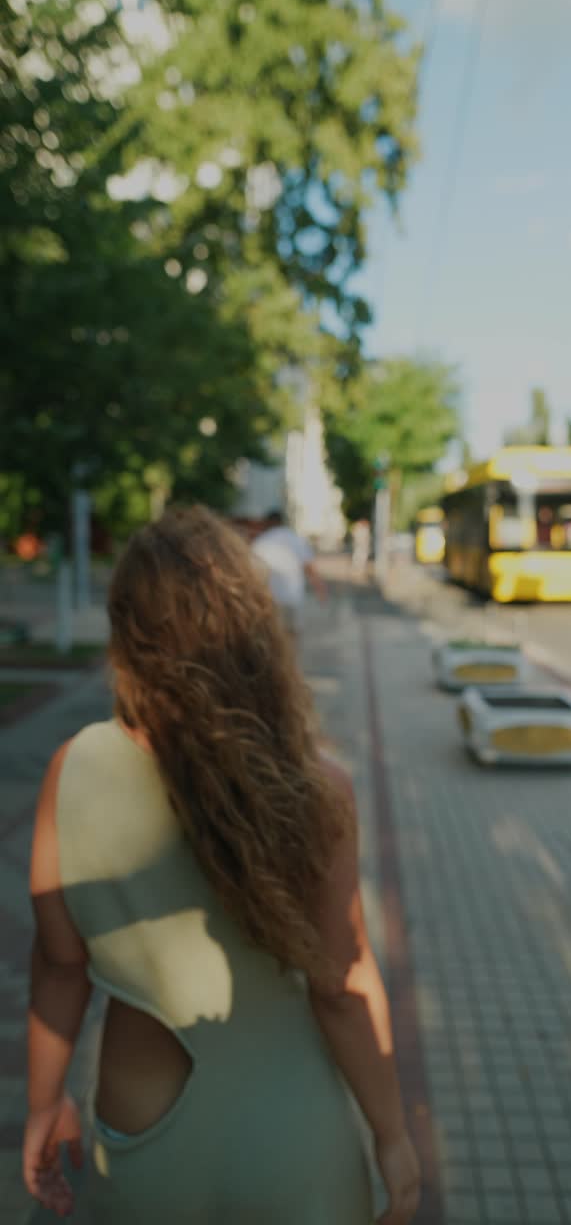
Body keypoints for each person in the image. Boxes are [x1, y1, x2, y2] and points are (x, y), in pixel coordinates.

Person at [23, 505, 420, 1224]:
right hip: (293, 1142)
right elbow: (341, 985)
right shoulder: (317, 789)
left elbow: (59, 965)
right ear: (257, 633)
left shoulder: (71, 769)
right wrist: (393, 1134)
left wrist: (44, 1104)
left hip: (139, 1139)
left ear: (124, 636)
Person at [253, 508, 327, 635]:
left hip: (271, 600)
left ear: (267, 522)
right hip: (294, 597)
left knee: (275, 638)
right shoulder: (296, 538)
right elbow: (310, 568)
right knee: (293, 636)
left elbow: (253, 574)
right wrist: (320, 590)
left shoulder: (260, 542)